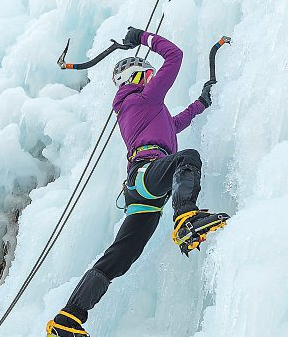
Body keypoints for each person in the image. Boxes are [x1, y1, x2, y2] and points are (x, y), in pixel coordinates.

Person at [45, 27, 229, 337]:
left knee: (120, 256)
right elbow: (175, 55)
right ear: (139, 77)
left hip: (144, 191)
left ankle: (68, 317)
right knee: (188, 158)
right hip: (147, 174)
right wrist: (143, 37)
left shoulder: (140, 109)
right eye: (149, 74)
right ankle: (185, 216)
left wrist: (201, 103)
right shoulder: (143, 98)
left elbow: (175, 123)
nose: (153, 78)